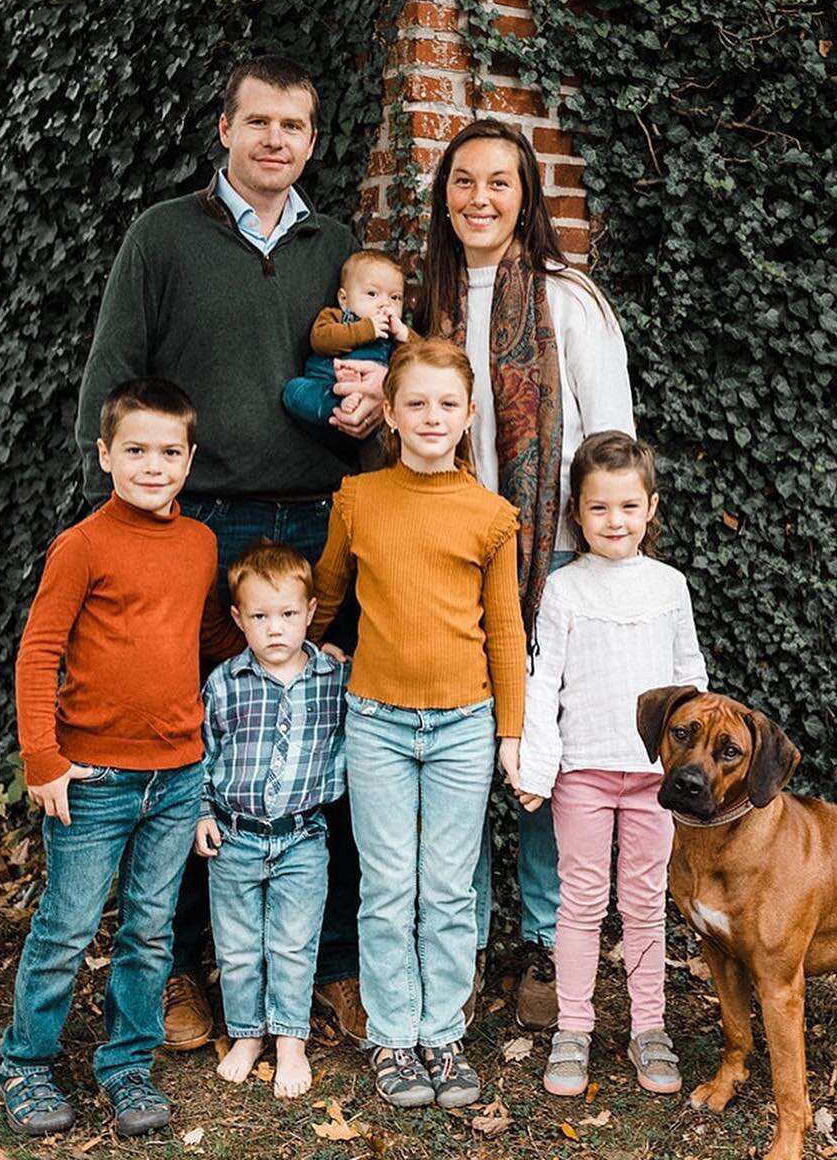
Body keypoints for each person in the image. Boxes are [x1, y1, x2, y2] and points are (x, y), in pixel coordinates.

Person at [74, 55, 380, 1050]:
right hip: (197, 528)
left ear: (312, 138)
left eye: (295, 125)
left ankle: (330, 959)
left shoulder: (334, 244)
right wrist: (125, 531)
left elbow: (366, 373)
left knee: (322, 737)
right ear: (225, 128)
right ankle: (181, 970)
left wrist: (371, 411)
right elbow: (113, 381)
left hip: (319, 522)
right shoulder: (163, 237)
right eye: (259, 122)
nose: (276, 141)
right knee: (194, 745)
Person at [415, 118, 636, 1029]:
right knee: (464, 748)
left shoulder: (564, 298)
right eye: (463, 181)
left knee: (549, 745)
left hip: (547, 549)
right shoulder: (417, 303)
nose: (480, 198)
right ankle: (458, 945)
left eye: (499, 182)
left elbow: (608, 433)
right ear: (444, 195)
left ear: (526, 195)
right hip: (445, 552)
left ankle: (548, 942)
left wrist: (594, 552)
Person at [0, 379, 238, 1138]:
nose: (152, 465)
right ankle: (26, 1064)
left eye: (169, 452)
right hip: (91, 777)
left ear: (190, 459)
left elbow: (204, 638)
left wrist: (286, 642)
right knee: (67, 927)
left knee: (150, 930)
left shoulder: (200, 544)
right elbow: (38, 653)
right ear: (105, 455)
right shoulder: (83, 546)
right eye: (135, 450)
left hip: (177, 776)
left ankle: (127, 1063)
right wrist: (42, 759)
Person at [310, 338, 526, 1109]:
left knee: (446, 886)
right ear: (390, 416)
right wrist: (303, 656)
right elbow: (327, 594)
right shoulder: (358, 500)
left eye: (447, 404)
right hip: (376, 722)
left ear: (469, 416)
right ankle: (393, 1038)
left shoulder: (492, 517)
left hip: (465, 724)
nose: (431, 416)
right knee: (386, 883)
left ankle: (443, 1031)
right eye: (415, 403)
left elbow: (504, 629)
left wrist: (512, 731)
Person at [518, 430, 708, 1097]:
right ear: (578, 514)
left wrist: (693, 771)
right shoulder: (565, 590)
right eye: (599, 509)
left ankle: (648, 1027)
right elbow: (542, 683)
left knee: (646, 901)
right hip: (584, 773)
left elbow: (691, 681)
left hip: (656, 780)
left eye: (628, 507)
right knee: (582, 900)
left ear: (651, 509)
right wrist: (539, 771)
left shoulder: (669, 586)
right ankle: (574, 1027)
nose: (615, 521)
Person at [197, 539, 348, 1096]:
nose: (276, 628)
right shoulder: (224, 684)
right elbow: (202, 752)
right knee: (236, 946)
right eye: (260, 616)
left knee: (292, 942)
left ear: (310, 612)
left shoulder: (332, 681)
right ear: (238, 619)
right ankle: (246, 1033)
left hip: (302, 837)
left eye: (288, 614)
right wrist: (201, 813)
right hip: (234, 836)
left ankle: (290, 1040)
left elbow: (350, 746)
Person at [283, 249, 411, 426]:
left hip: (370, 401)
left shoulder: (393, 333)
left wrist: (404, 334)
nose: (385, 303)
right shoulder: (334, 316)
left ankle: (354, 405)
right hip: (325, 387)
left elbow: (420, 359)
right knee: (293, 391)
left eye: (395, 297)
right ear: (344, 300)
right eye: (372, 294)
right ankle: (337, 406)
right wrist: (367, 330)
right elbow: (320, 341)